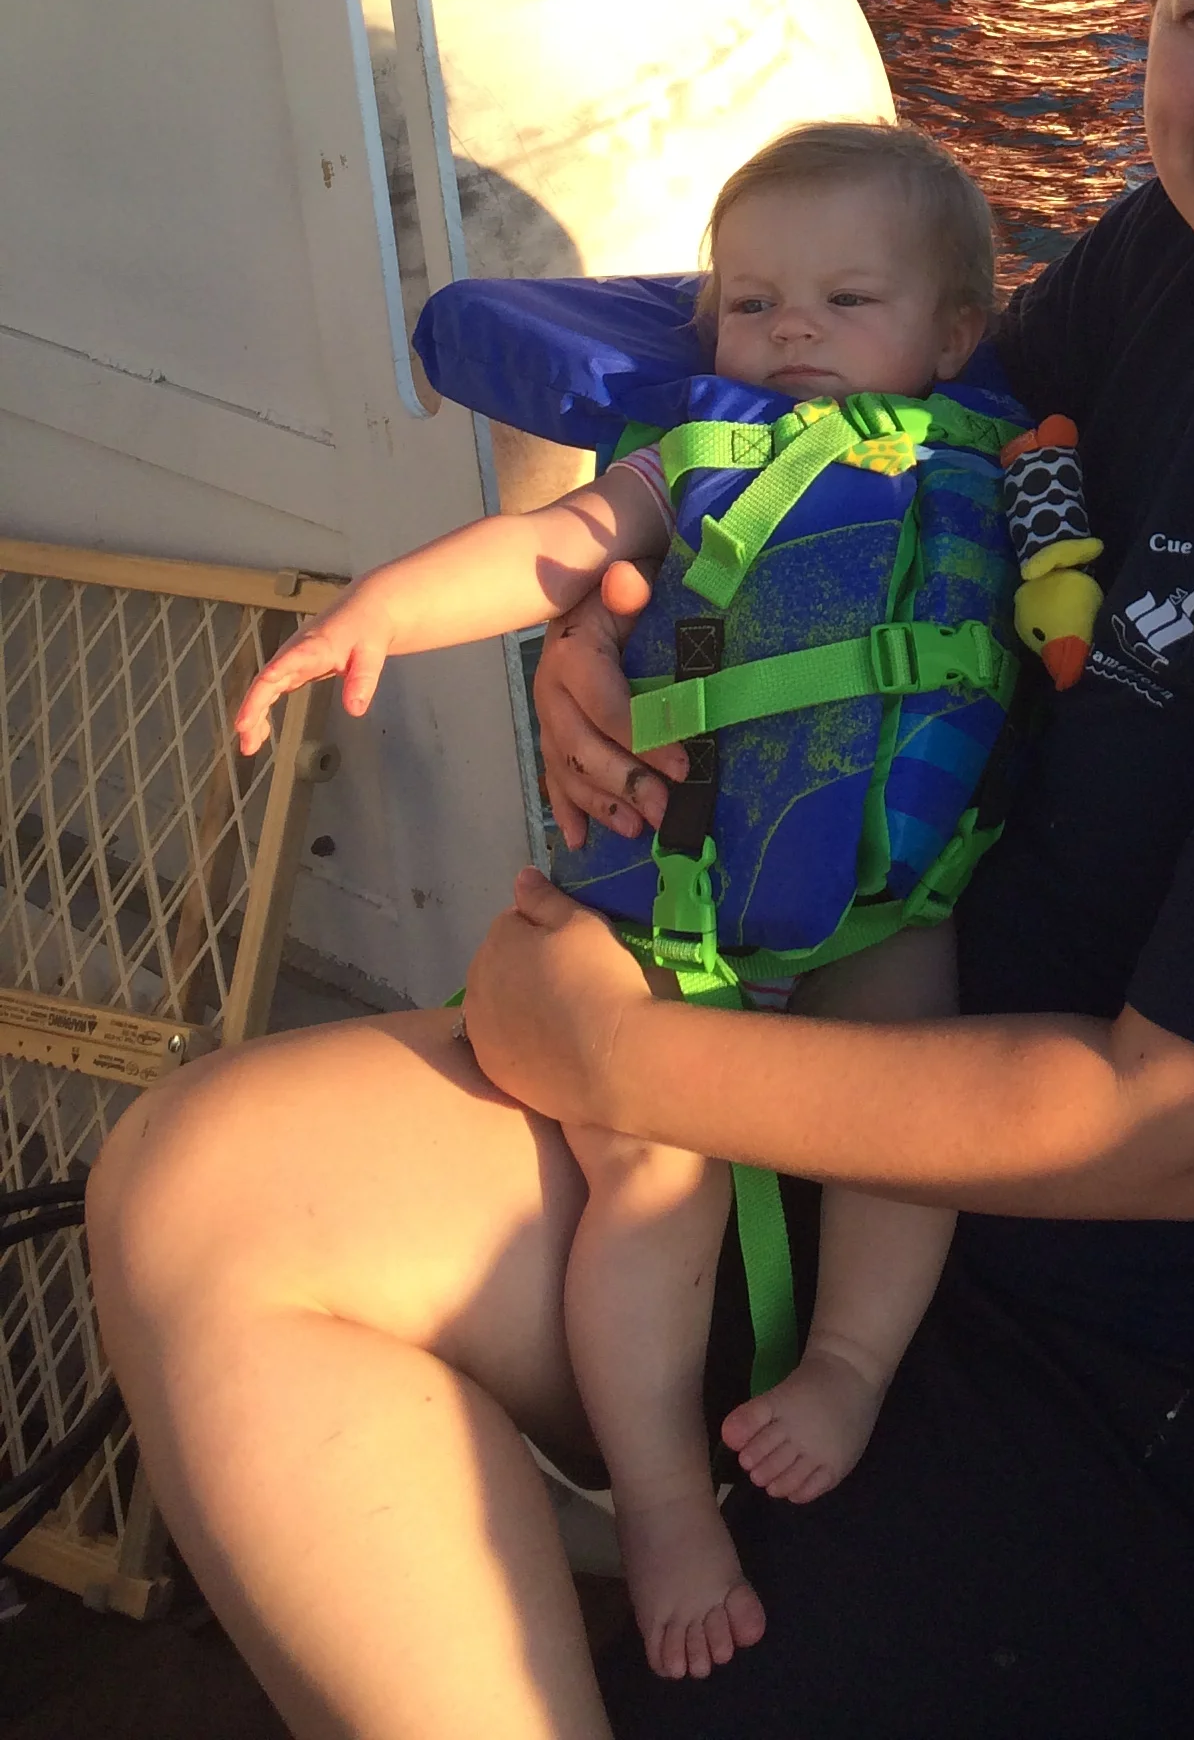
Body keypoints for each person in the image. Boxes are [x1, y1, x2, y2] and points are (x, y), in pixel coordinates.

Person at [88, 0, 1194, 1740]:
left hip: (1160, 1377)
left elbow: (1176, 1130)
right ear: (1153, 34)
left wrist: (611, 1055)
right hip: (857, 1104)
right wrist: (627, 634)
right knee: (201, 1188)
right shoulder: (1179, 260)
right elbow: (890, 478)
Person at [230, 119, 1008, 1685]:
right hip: (665, 906)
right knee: (656, 1177)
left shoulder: (1007, 470)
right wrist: (385, 609)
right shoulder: (697, 454)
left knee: (918, 1102)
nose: (791, 333)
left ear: (951, 335)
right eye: (753, 302)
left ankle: (848, 1366)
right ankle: (659, 1501)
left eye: (846, 304)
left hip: (877, 906)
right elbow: (554, 545)